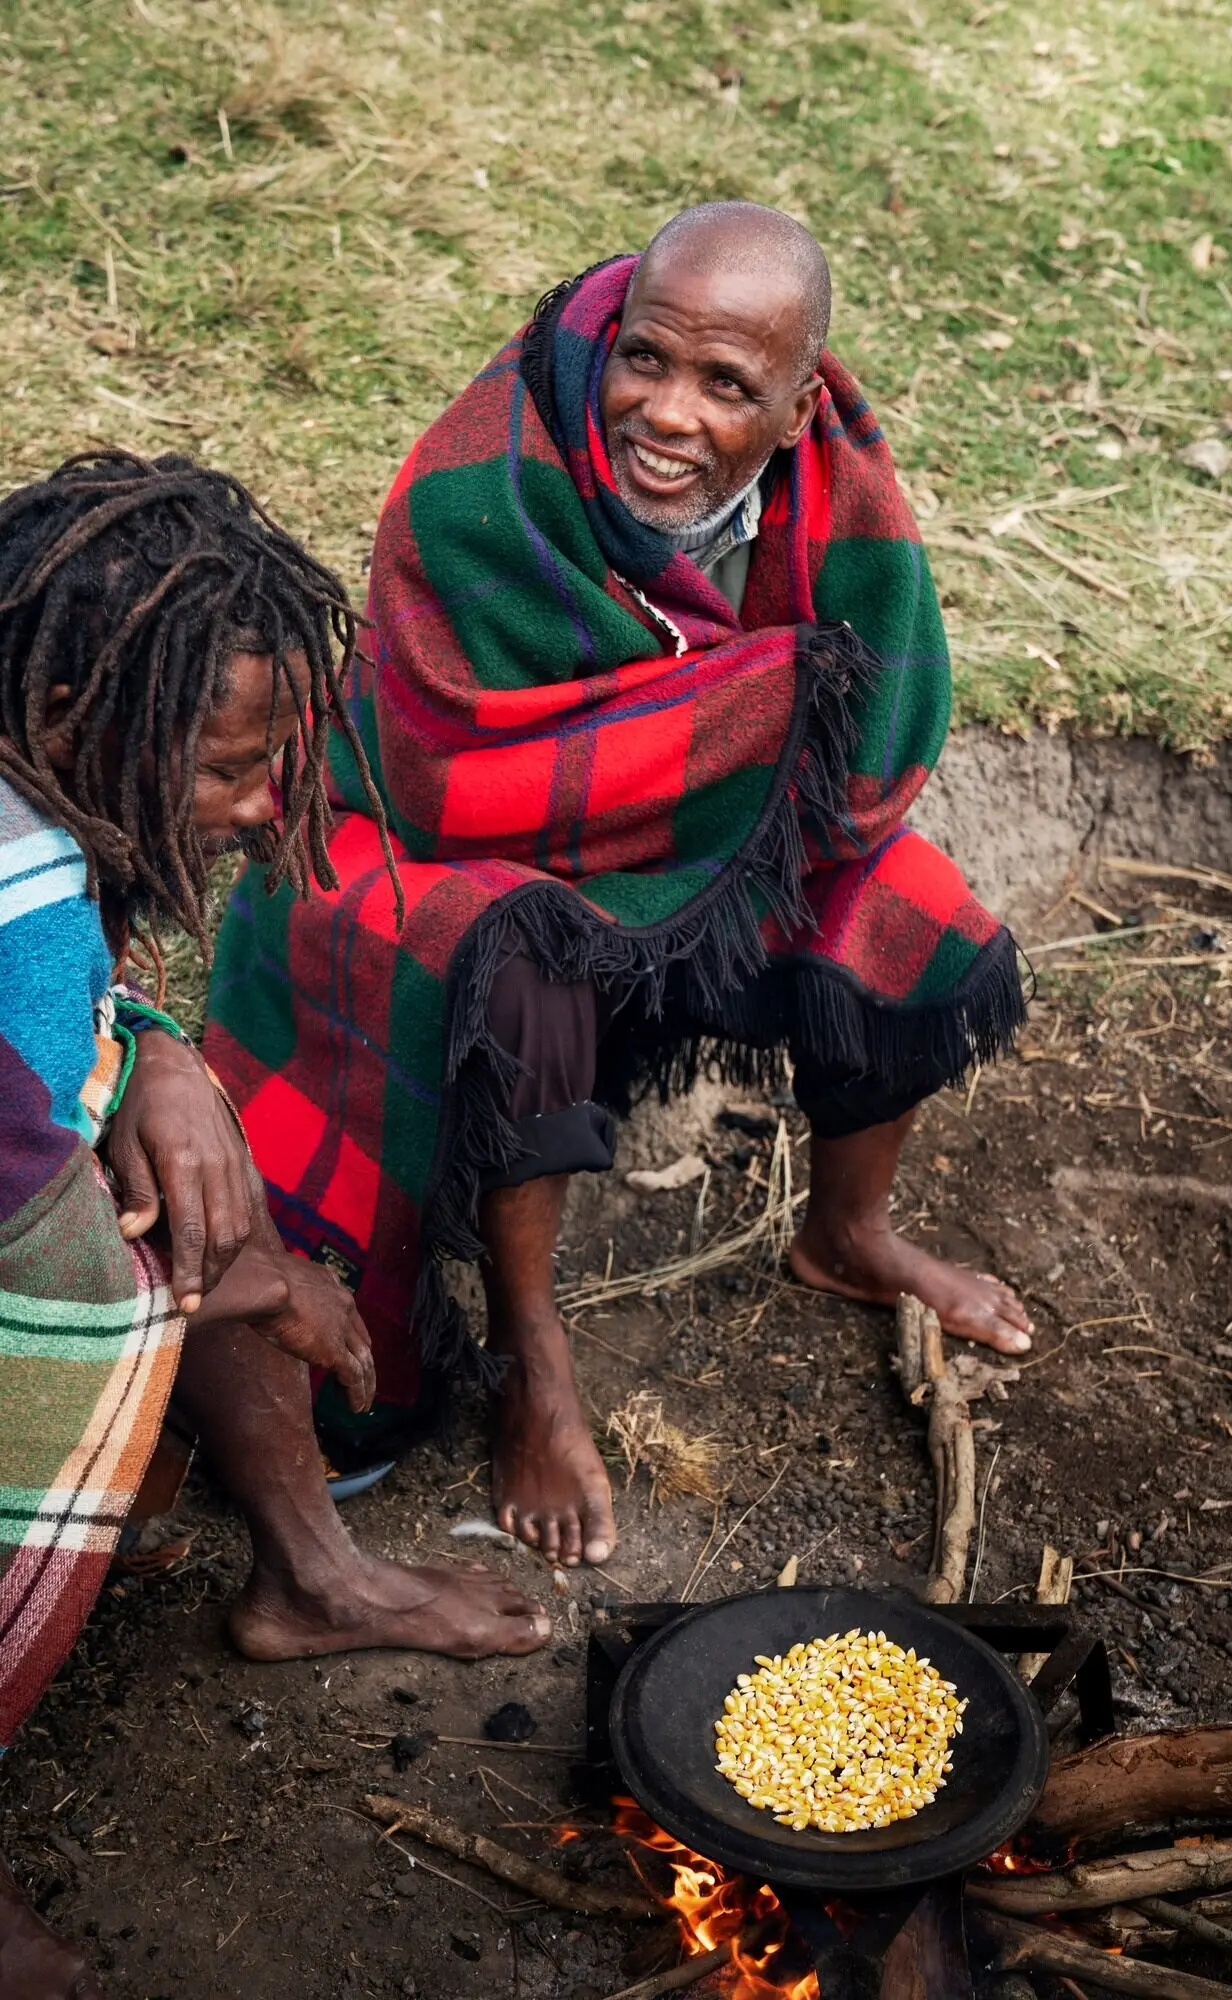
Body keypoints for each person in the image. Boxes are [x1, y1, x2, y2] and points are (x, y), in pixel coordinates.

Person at [204, 201, 1032, 1581]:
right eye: (647, 360)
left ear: (799, 398)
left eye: (726, 388)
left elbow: (866, 739)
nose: (666, 413)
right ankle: (535, 1365)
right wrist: (746, 708)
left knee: (906, 903)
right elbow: (428, 758)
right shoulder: (481, 483)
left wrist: (732, 737)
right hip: (444, 833)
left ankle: (846, 1234)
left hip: (679, 840)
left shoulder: (835, 485)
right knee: (519, 966)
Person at [0, 452, 550, 2000]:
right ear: (67, 723)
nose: (265, 810)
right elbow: (35, 1230)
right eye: (228, 770)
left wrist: (159, 1047)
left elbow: (64, 1041)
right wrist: (261, 1286)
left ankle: (308, 1576)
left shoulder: (37, 823)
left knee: (201, 1164)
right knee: (177, 1253)